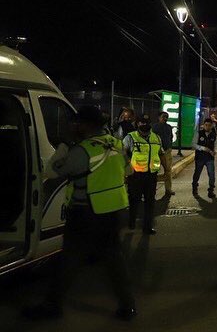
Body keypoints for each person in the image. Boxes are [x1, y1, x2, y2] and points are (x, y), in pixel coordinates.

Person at [24, 105, 136, 321]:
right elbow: (129, 170)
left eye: (76, 123)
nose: (72, 126)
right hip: (116, 210)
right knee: (114, 260)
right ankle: (128, 307)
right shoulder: (116, 144)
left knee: (69, 259)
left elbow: (50, 171)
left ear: (86, 125)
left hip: (87, 213)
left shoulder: (82, 150)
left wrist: (65, 144)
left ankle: (52, 306)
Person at [124, 114, 165, 234]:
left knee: (150, 202)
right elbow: (122, 154)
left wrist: (167, 169)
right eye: (141, 122)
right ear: (137, 124)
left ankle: (147, 227)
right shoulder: (130, 137)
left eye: (146, 122)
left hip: (151, 175)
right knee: (134, 200)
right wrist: (125, 171)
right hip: (135, 175)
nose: (144, 125)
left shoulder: (156, 138)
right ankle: (131, 222)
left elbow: (161, 154)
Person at [192, 117, 217, 198]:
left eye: (209, 125)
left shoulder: (214, 135)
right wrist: (203, 148)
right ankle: (195, 189)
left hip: (209, 158)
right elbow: (193, 144)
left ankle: (211, 190)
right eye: (206, 125)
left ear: (211, 126)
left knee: (212, 175)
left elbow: (216, 145)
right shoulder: (199, 133)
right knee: (197, 174)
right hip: (200, 158)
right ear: (203, 125)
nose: (207, 127)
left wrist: (215, 151)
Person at [152, 111, 175, 197]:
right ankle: (152, 190)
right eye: (164, 117)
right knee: (154, 171)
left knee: (168, 171)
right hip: (157, 152)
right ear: (159, 117)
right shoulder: (154, 127)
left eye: (166, 117)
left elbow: (171, 137)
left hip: (167, 151)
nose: (165, 118)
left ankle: (168, 189)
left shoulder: (168, 127)